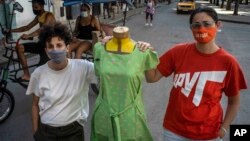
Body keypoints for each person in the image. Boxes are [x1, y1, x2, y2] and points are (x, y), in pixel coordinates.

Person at [141, 7, 247, 141]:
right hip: (174, 132)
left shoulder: (229, 62)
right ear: (191, 28)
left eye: (207, 24)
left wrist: (224, 129)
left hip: (208, 134)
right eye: (196, 25)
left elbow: (234, 102)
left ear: (218, 25)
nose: (201, 29)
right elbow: (152, 77)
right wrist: (146, 55)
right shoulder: (178, 52)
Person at [26, 22, 96, 141]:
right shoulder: (38, 74)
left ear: (67, 47)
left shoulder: (83, 68)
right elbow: (34, 105)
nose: (55, 50)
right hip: (46, 132)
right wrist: (36, 133)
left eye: (59, 45)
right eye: (51, 46)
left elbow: (110, 71)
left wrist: (136, 47)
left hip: (74, 132)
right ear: (46, 50)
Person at [90, 26, 159, 141]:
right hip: (104, 114)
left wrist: (151, 49)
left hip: (131, 116)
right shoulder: (99, 48)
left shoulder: (142, 51)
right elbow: (98, 73)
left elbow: (151, 78)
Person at [10, 0, 56, 82]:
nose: (34, 9)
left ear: (42, 6)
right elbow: (26, 27)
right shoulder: (38, 17)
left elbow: (42, 29)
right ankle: (26, 75)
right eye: (33, 8)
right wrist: (10, 30)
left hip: (50, 46)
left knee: (39, 74)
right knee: (19, 48)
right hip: (41, 44)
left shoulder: (49, 16)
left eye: (36, 7)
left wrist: (29, 35)